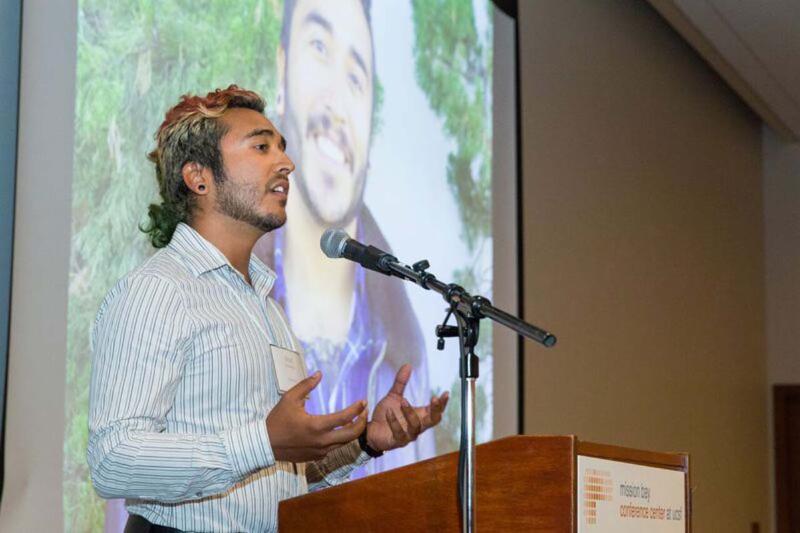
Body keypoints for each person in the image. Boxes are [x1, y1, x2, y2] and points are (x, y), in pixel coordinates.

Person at [87, 86, 448, 533]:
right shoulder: (159, 292)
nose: (286, 163)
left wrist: (364, 444)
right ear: (199, 178)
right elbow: (113, 461)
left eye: (282, 148)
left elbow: (278, 477)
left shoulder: (266, 307)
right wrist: (262, 440)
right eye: (261, 147)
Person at [253, 0, 434, 477]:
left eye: (356, 79)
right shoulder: (230, 301)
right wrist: (259, 442)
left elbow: (297, 488)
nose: (336, 100)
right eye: (318, 47)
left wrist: (367, 446)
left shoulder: (406, 348)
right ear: (283, 70)